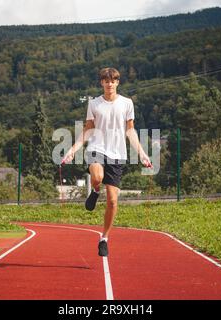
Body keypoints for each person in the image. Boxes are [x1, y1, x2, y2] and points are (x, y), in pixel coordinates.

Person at [61, 67, 152, 257]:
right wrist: (71, 150)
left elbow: (130, 131)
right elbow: (87, 130)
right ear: (101, 82)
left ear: (117, 82)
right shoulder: (94, 104)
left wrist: (142, 154)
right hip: (97, 148)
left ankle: (104, 238)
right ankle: (95, 190)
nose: (109, 83)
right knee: (97, 177)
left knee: (112, 200)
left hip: (117, 154)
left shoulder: (127, 103)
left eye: (113, 80)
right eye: (106, 80)